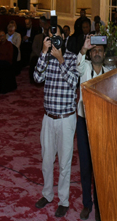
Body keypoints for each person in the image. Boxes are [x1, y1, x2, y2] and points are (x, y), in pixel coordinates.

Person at [33, 27, 79, 218]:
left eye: (57, 36)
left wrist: (60, 60)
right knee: (46, 160)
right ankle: (47, 194)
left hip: (66, 119)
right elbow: (36, 78)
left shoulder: (72, 58)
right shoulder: (47, 57)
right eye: (51, 36)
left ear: (64, 37)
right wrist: (44, 53)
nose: (54, 39)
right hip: (48, 118)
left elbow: (74, 82)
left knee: (64, 163)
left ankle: (63, 200)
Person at [76, 36, 115, 220]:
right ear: (90, 54)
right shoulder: (84, 69)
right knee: (85, 166)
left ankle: (100, 207)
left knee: (101, 166)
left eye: (100, 49)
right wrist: (84, 49)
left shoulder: (109, 73)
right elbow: (77, 63)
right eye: (94, 50)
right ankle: (87, 204)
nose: (97, 52)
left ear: (104, 53)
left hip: (102, 123)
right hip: (84, 122)